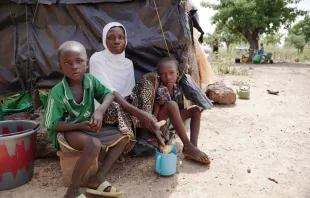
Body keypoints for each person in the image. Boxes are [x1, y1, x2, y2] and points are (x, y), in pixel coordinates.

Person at [44, 41, 163, 198]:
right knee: (94, 144)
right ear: (60, 67)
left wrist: (99, 111)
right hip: (66, 133)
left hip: (86, 130)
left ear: (86, 64)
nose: (74, 66)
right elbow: (52, 124)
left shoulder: (90, 81)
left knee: (123, 137)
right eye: (67, 63)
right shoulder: (57, 92)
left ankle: (97, 179)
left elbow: (109, 94)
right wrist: (80, 125)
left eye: (79, 61)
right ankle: (72, 191)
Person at [153, 57, 210, 165]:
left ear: (177, 74)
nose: (168, 77)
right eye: (163, 74)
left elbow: (178, 112)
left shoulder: (177, 88)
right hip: (160, 126)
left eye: (171, 73)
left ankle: (192, 147)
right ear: (159, 76)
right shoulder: (159, 88)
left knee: (195, 110)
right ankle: (188, 145)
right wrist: (158, 104)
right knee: (171, 104)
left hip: (173, 124)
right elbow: (154, 118)